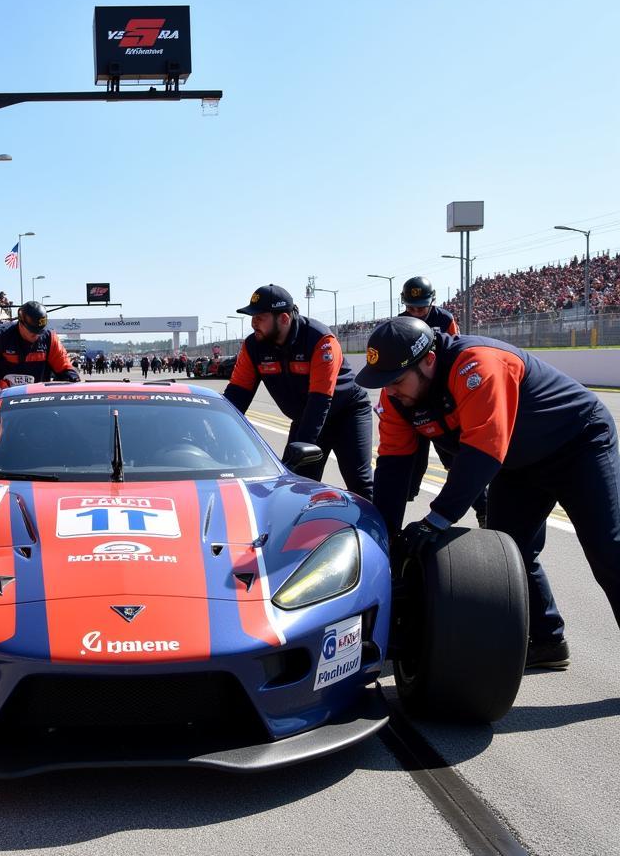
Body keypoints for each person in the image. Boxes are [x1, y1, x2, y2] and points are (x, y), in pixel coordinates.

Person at [357, 316, 620, 669]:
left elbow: (483, 449)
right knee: (510, 552)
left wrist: (437, 519)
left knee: (608, 551)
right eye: (383, 383)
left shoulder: (477, 364)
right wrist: (385, 537)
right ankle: (547, 641)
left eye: (396, 381)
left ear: (429, 361)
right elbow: (392, 464)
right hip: (519, 462)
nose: (389, 392)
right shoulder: (397, 397)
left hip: (578, 443)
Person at [224, 284, 374, 499]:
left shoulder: (320, 339)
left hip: (346, 413)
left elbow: (320, 401)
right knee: (294, 486)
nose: (253, 322)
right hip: (306, 416)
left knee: (359, 480)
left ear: (284, 319)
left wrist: (301, 448)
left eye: (260, 317)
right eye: (252, 316)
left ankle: (384, 531)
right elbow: (236, 396)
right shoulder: (253, 346)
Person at [396, 276, 484, 522]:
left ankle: (484, 510)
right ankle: (395, 518)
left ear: (432, 301)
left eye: (421, 308)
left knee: (456, 460)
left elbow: (456, 352)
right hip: (413, 400)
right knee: (409, 464)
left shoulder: (444, 319)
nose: (416, 313)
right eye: (411, 308)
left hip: (442, 400)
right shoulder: (400, 323)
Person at [0, 301, 79, 391]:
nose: (36, 335)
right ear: (21, 323)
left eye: (40, 331)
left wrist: (74, 381)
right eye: (32, 331)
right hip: (4, 401)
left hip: (37, 400)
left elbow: (65, 369)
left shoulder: (49, 338)